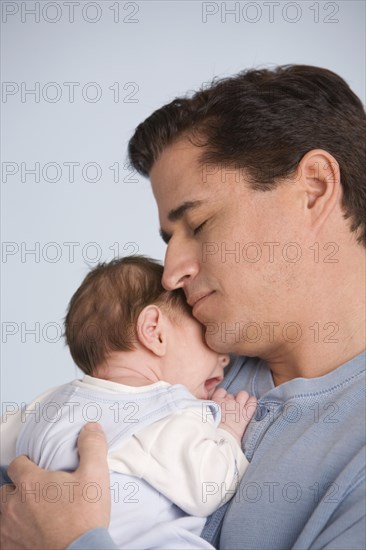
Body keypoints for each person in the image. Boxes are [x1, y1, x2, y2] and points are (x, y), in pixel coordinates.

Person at [1, 64, 365, 549]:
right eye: (170, 239)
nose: (170, 274)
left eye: (198, 224)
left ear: (315, 188)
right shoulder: (184, 359)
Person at [1, 255, 257, 549]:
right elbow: (208, 488)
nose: (223, 356)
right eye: (205, 331)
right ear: (154, 331)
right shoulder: (170, 411)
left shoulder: (47, 404)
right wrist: (229, 431)